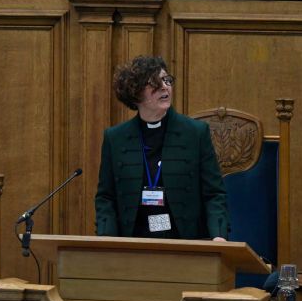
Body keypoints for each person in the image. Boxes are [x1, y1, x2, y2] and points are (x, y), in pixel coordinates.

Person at [95, 55, 229, 240]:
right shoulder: (115, 138)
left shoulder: (195, 133)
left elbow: (214, 193)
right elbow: (106, 197)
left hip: (186, 240)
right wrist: (106, 237)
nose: (165, 87)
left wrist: (218, 235)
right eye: (155, 83)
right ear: (135, 93)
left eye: (167, 80)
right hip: (133, 241)